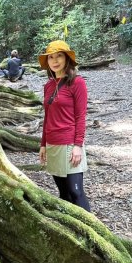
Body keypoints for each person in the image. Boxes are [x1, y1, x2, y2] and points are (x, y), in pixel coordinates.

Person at [38, 40, 90, 211]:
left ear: (67, 58)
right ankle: (71, 230)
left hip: (69, 144)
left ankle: (91, 232)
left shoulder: (77, 83)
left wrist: (77, 145)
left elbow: (80, 117)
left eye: (59, 56)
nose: (55, 60)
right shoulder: (48, 86)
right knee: (63, 193)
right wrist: (43, 144)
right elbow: (48, 117)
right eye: (51, 57)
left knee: (76, 192)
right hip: (53, 144)